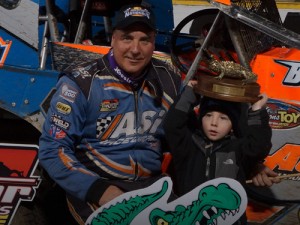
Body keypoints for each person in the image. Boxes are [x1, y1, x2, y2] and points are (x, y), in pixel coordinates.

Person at [38, 3, 182, 224]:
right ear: (113, 39)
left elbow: (194, 133)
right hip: (98, 187)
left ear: (153, 42)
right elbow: (52, 149)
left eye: (144, 40)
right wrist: (98, 190)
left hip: (153, 186)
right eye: (127, 38)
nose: (135, 49)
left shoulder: (169, 80)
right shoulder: (81, 83)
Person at [163, 80, 276, 224]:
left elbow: (259, 146)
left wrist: (257, 110)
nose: (214, 123)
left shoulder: (237, 149)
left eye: (223, 118)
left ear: (232, 125)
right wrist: (189, 94)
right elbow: (172, 125)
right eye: (208, 115)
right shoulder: (188, 146)